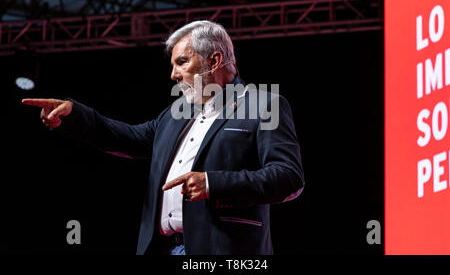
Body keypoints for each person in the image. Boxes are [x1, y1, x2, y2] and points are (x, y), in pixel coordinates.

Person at [22, 20, 304, 255]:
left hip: (222, 250)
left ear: (214, 60)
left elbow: (288, 177)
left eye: (181, 62)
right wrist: (73, 115)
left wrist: (212, 183)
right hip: (161, 248)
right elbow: (129, 139)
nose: (173, 74)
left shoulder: (263, 104)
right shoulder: (177, 113)